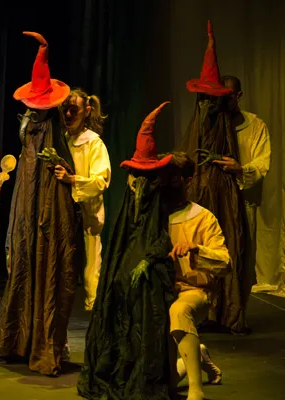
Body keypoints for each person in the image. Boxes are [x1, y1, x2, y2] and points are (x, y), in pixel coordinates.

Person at [0, 31, 84, 376]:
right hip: (27, 206)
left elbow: (70, 174)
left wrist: (66, 177)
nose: (32, 113)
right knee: (24, 265)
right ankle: (19, 341)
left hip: (51, 212)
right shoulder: (31, 133)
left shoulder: (53, 134)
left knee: (49, 269)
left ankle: (44, 346)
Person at [78, 102, 176, 399]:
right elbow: (122, 239)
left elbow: (164, 236)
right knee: (116, 293)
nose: (138, 182)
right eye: (134, 175)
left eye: (145, 176)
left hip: (152, 268)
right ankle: (118, 366)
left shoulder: (159, 199)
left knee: (143, 299)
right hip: (126, 266)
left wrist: (148, 260)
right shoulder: (128, 200)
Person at [180, 20, 249, 335]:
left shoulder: (223, 124)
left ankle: (226, 311)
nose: (208, 104)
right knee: (198, 244)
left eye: (213, 99)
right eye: (203, 99)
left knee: (224, 245)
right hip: (199, 189)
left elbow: (231, 156)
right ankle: (204, 307)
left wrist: (226, 166)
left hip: (221, 190)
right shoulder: (199, 123)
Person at [163, 151, 227, 400]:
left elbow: (224, 262)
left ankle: (196, 391)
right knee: (163, 384)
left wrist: (196, 249)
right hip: (162, 293)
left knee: (179, 310)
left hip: (194, 291)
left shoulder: (202, 217)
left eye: (173, 178)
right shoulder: (153, 218)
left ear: (187, 181)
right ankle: (196, 355)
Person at [215, 75, 272, 294]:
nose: (224, 100)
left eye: (229, 95)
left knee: (243, 253)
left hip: (244, 200)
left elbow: (262, 163)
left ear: (238, 96)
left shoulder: (256, 126)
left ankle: (240, 304)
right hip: (217, 199)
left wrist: (240, 169)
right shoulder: (211, 126)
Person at [55, 88, 111, 310]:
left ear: (87, 111)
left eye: (74, 110)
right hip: (63, 215)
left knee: (90, 271)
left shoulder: (94, 143)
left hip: (87, 216)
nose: (69, 114)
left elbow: (101, 181)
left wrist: (72, 180)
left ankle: (94, 312)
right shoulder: (61, 140)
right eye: (65, 110)